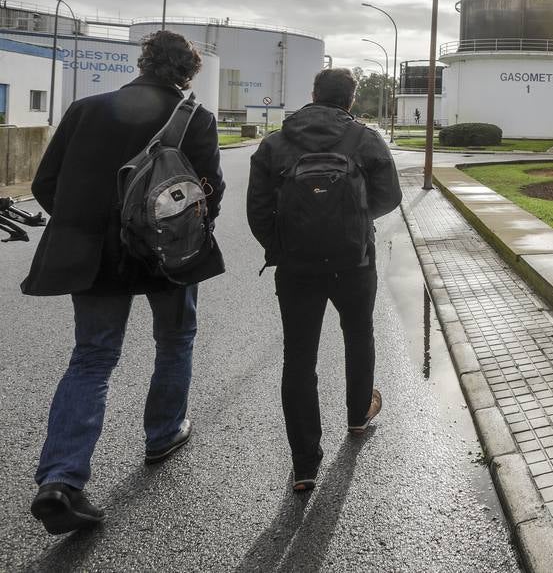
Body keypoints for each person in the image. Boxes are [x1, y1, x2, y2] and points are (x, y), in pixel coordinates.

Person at [24, 30, 225, 535]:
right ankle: (163, 433)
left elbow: (45, 184)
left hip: (93, 259)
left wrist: (93, 229)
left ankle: (61, 481)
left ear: (143, 62)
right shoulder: (193, 118)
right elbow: (208, 193)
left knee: (92, 359)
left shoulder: (86, 109)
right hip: (166, 256)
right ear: (187, 72)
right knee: (175, 340)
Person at [246, 67, 402, 491]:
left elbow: (258, 211)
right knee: (358, 334)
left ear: (313, 94)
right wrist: (352, 222)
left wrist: (285, 244)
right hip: (354, 261)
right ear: (350, 100)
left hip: (296, 267)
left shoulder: (276, 142)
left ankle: (304, 463)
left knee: (299, 357)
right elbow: (390, 197)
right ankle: (357, 416)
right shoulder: (366, 139)